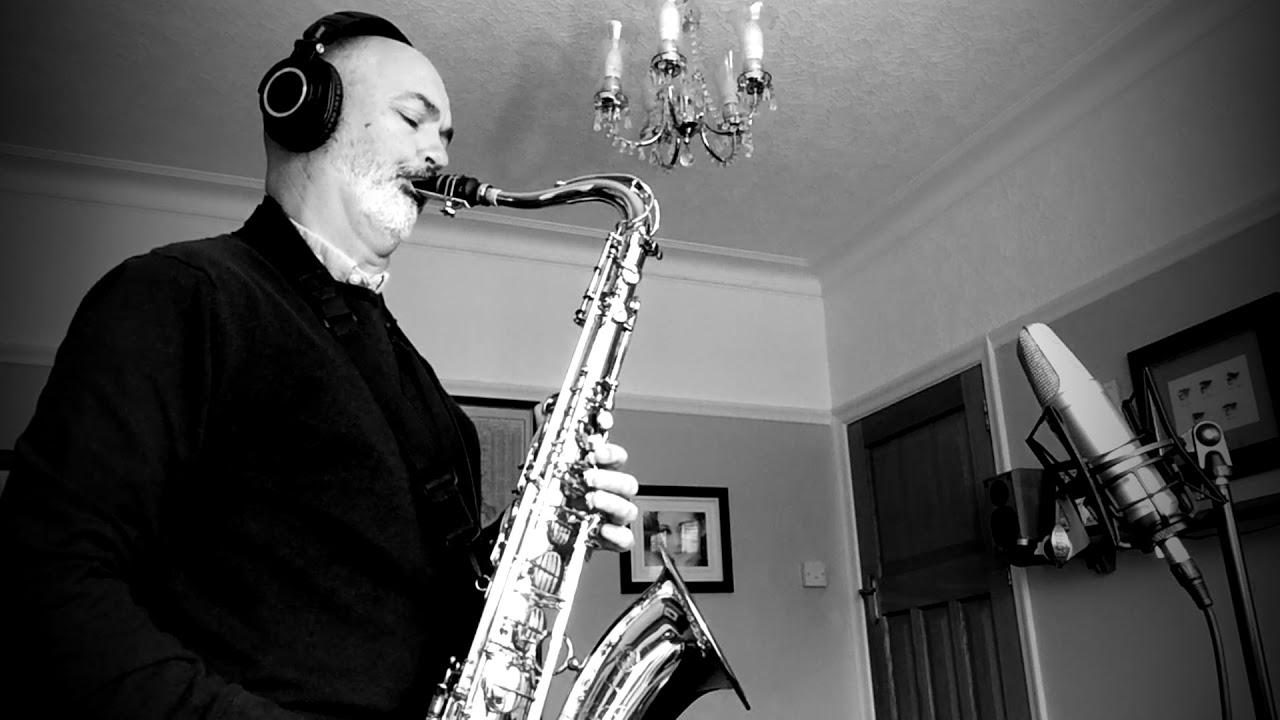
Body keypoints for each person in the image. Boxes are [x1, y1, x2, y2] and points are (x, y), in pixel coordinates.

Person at [0, 11, 639, 719]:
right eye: (414, 119)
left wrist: (539, 533)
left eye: (446, 136)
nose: (437, 154)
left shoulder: (416, 382)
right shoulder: (183, 293)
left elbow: (417, 614)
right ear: (308, 113)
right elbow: (48, 579)